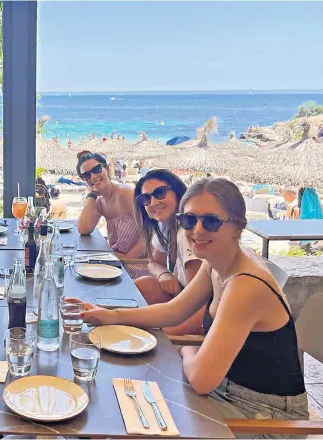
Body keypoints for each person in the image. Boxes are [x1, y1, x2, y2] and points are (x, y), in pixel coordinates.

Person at [71, 178, 308, 431]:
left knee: (118, 418)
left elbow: (201, 380)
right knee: (114, 406)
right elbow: (173, 311)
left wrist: (186, 350)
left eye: (211, 221)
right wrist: (108, 315)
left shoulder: (245, 285)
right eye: (189, 220)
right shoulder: (217, 262)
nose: (197, 230)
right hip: (225, 391)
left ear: (238, 226)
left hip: (262, 417)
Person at [133, 170, 203, 335]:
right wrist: (163, 274)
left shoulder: (188, 233)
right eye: (145, 199)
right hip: (181, 300)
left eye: (160, 193)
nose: (153, 202)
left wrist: (163, 335)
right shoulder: (166, 225)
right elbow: (154, 262)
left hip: (205, 315)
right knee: (143, 285)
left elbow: (200, 300)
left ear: (178, 192)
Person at [76, 151, 146, 277]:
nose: (92, 177)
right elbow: (83, 229)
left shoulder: (125, 193)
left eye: (96, 169)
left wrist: (128, 257)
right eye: (86, 175)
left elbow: (150, 230)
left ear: (107, 169)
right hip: (117, 264)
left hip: (139, 265)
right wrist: (91, 195)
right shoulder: (101, 202)